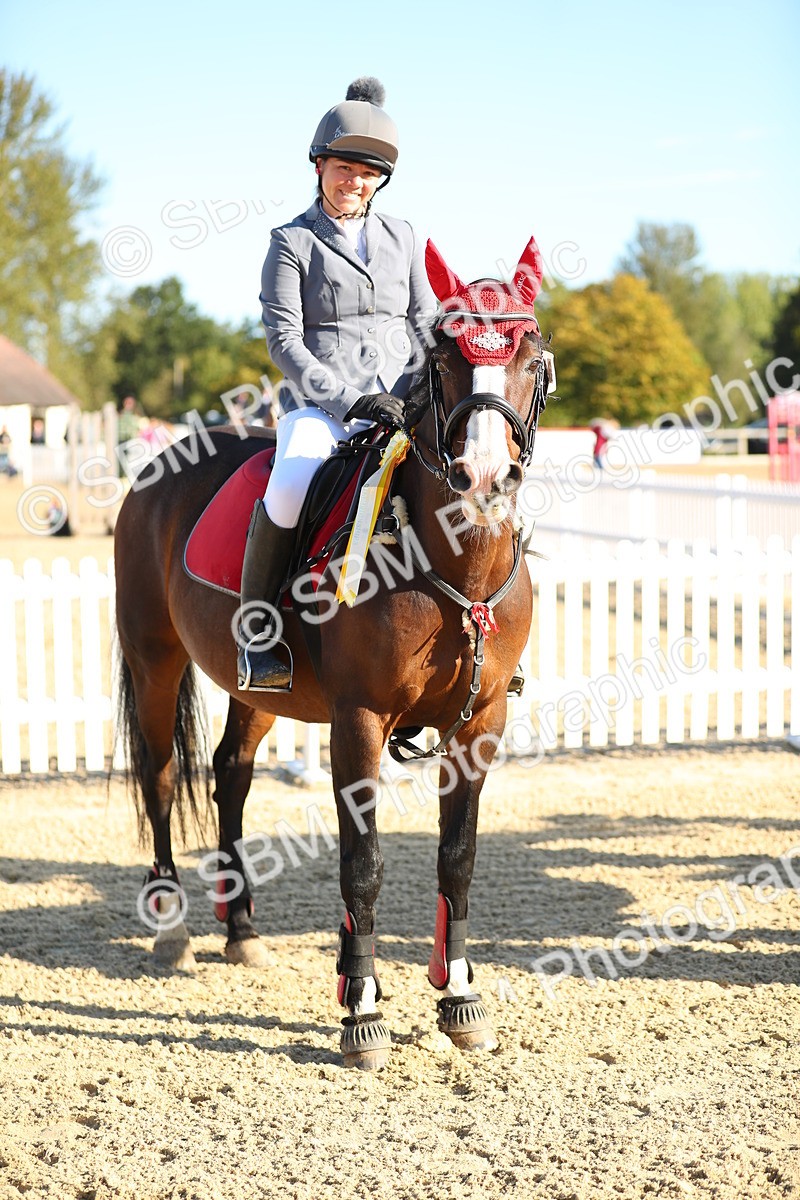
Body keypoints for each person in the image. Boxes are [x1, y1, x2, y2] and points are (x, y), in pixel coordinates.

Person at [237, 77, 434, 691]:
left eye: (368, 173)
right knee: (292, 482)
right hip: (325, 407)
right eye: (345, 167)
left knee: (468, 479)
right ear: (319, 164)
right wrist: (352, 400)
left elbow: (426, 322)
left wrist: (420, 393)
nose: (355, 181)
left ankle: (487, 636)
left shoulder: (405, 237)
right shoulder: (291, 242)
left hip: (403, 402)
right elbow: (285, 343)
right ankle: (258, 633)